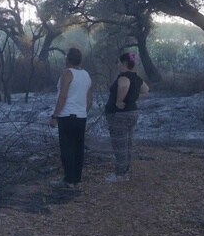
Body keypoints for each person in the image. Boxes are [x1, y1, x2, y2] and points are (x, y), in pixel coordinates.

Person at [48, 47, 93, 189]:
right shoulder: (86, 75)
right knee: (78, 148)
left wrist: (54, 115)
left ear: (67, 59)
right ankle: (77, 180)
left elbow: (63, 96)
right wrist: (83, 111)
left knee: (67, 148)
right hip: (81, 116)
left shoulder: (67, 73)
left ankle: (68, 181)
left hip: (67, 115)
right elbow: (89, 99)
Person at [104, 51, 149, 182]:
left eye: (118, 62)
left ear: (124, 63)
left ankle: (120, 175)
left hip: (119, 115)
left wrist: (119, 101)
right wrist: (132, 98)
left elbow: (124, 85)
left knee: (119, 144)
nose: (117, 64)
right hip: (132, 112)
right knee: (127, 143)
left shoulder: (124, 77)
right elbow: (146, 90)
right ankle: (125, 171)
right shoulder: (137, 77)